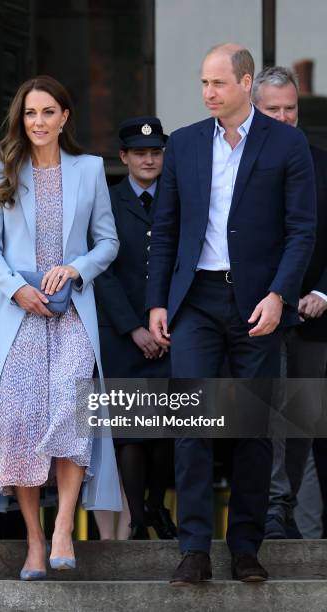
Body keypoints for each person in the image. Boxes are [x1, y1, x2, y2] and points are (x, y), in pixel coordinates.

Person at [147, 44, 316, 584]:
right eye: (203, 83)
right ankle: (193, 549)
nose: (208, 93)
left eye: (218, 83)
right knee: (190, 422)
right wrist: (157, 301)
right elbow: (166, 231)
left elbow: (301, 230)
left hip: (258, 304)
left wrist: (280, 294)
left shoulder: (288, 145)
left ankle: (246, 547)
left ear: (245, 83)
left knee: (252, 426)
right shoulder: (187, 143)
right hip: (195, 301)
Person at [0, 75, 122, 580]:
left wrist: (76, 269)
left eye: (48, 112)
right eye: (30, 113)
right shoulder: (1, 170)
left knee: (74, 411)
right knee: (19, 424)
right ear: (21, 118)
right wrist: (15, 289)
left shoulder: (91, 169)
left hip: (73, 314)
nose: (38, 122)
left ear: (65, 117)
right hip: (19, 318)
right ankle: (34, 539)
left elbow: (108, 242)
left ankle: (63, 528)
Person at [252, 66, 327, 539]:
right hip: (252, 315)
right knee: (253, 415)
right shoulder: (236, 165)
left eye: (290, 108)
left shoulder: (324, 165)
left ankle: (282, 512)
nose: (283, 117)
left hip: (312, 320)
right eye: (272, 109)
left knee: (299, 417)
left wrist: (322, 291)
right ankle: (264, 510)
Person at [95, 117, 176, 540]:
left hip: (171, 331)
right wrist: (134, 328)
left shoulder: (181, 198)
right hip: (121, 334)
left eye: (156, 151)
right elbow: (101, 273)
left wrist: (166, 325)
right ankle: (138, 518)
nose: (149, 159)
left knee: (169, 428)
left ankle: (156, 506)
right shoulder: (105, 201)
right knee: (129, 432)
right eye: (140, 152)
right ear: (124, 156)